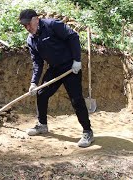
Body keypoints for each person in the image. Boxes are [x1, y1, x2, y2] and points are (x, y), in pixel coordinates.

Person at [18, 9, 94, 147]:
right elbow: (37, 63)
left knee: (76, 100)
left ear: (36, 19)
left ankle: (87, 131)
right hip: (54, 69)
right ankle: (42, 125)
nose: (27, 28)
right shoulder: (31, 40)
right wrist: (33, 82)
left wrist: (77, 60)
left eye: (29, 24)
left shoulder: (53, 25)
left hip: (71, 68)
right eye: (25, 26)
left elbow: (73, 37)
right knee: (41, 93)